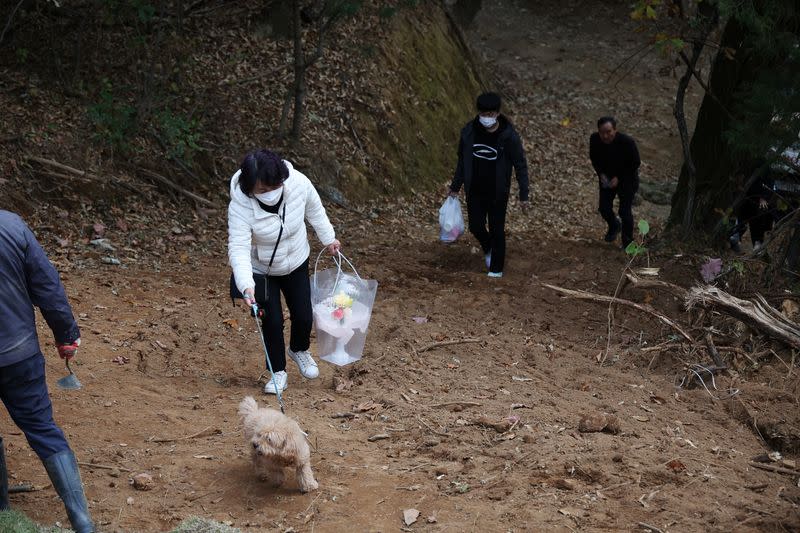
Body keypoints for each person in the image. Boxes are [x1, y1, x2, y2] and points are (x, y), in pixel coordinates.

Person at [0, 210, 94, 532]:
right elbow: (47, 286)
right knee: (43, 429)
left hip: (17, 353)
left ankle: (2, 511)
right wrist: (66, 334)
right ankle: (81, 521)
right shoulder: (12, 226)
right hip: (19, 354)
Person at [228, 149, 341, 394]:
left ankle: (299, 349)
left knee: (303, 315)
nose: (269, 194)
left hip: (296, 260)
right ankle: (277, 371)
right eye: (262, 191)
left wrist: (328, 239)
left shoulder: (298, 183)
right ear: (250, 189)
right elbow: (238, 247)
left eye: (273, 187)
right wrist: (246, 283)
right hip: (261, 269)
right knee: (272, 321)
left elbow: (315, 210)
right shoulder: (240, 205)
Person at [448, 92, 530, 278]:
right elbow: (462, 162)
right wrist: (455, 186)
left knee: (497, 229)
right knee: (476, 226)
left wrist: (523, 194)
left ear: (498, 114)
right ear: (479, 113)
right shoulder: (469, 132)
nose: (487, 118)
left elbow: (520, 164)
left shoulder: (508, 136)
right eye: (484, 114)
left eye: (491, 114)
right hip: (474, 189)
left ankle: (496, 269)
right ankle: (488, 247)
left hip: (497, 191)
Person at [589, 116, 641, 248]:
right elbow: (594, 158)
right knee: (604, 208)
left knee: (624, 211)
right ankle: (614, 225)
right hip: (607, 177)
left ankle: (628, 243)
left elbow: (635, 163)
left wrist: (619, 178)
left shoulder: (627, 142)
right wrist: (601, 174)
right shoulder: (594, 139)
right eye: (602, 132)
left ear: (615, 130)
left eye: (608, 132)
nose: (605, 136)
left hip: (627, 178)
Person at [729, 166, 775, 252]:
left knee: (757, 223)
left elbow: (770, 183)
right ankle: (734, 239)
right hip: (744, 198)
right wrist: (739, 185)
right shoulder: (747, 160)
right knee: (739, 220)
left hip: (758, 202)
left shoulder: (766, 168)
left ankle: (757, 246)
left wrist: (764, 197)